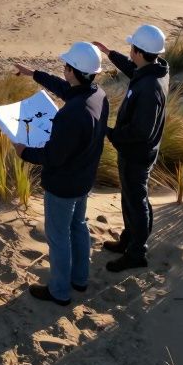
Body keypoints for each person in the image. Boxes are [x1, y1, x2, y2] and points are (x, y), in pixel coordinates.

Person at [10, 41, 110, 306]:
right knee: (78, 227)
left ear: (73, 70)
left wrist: (24, 153)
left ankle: (59, 291)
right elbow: (67, 90)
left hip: (63, 185)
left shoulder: (72, 114)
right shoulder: (97, 96)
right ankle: (79, 279)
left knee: (58, 237)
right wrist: (34, 74)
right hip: (84, 179)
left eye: (66, 66)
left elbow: (53, 157)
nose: (63, 70)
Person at [93, 24, 169, 273]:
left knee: (136, 202)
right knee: (132, 197)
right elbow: (134, 71)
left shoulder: (149, 88)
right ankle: (129, 239)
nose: (130, 53)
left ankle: (137, 253)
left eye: (131, 49)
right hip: (138, 152)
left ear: (138, 52)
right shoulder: (155, 71)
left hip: (137, 154)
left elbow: (140, 131)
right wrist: (110, 54)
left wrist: (111, 134)